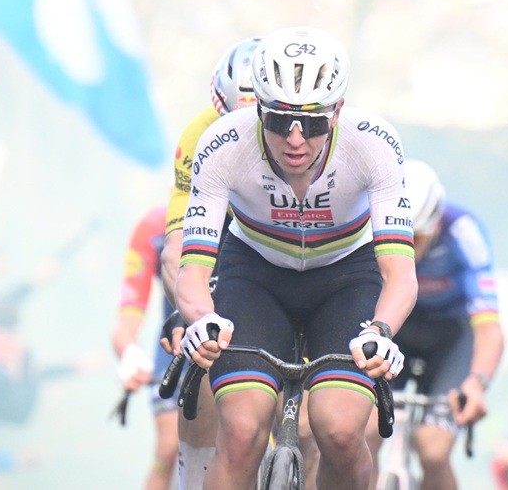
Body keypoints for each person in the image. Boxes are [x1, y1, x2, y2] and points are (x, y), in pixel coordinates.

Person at [171, 26, 416, 490]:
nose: (296, 139)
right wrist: (201, 318)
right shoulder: (223, 144)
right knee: (241, 432)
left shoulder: (375, 143)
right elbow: (193, 270)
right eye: (280, 121)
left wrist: (381, 332)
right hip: (255, 275)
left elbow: (400, 275)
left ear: (338, 111)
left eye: (314, 123)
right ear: (258, 109)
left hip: (346, 278)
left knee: (340, 432)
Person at [157, 35, 260, 488]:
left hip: (285, 247)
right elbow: (176, 248)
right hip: (221, 243)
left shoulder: (307, 138)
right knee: (203, 363)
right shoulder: (199, 136)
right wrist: (189, 315)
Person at [367, 159, 504, 490]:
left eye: (417, 238)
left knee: (433, 450)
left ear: (436, 224)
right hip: (398, 331)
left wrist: (477, 383)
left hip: (450, 339)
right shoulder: (371, 225)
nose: (408, 250)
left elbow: (489, 328)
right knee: (365, 433)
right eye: (400, 238)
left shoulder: (464, 233)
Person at [110, 205, 181, 490]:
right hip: (175, 347)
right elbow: (126, 322)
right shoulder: (152, 228)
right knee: (168, 448)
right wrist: (130, 354)